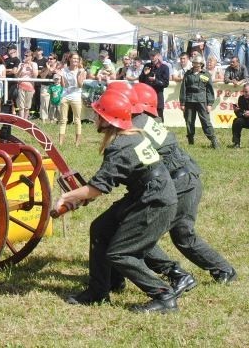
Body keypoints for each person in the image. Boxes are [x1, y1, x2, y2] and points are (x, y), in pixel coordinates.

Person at [55, 89, 179, 313]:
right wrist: (81, 196)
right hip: (145, 193)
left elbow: (96, 189)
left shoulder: (121, 146)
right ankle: (99, 290)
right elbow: (103, 184)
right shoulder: (131, 135)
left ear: (108, 119)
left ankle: (164, 295)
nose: (94, 117)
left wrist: (66, 197)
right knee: (101, 228)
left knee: (121, 253)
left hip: (154, 200)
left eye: (98, 114)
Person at [127, 82, 237, 292]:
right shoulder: (146, 121)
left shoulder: (138, 125)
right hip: (185, 179)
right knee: (181, 234)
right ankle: (222, 270)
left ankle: (186, 273)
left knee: (145, 233)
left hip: (180, 184)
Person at [180, 55, 218, 148]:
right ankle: (190, 141)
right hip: (189, 100)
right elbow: (183, 89)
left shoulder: (205, 74)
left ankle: (213, 140)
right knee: (189, 121)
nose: (195, 65)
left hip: (201, 101)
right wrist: (182, 103)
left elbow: (209, 90)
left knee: (205, 121)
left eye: (197, 63)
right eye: (194, 63)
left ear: (201, 64)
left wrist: (209, 104)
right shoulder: (188, 74)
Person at [57, 52, 86, 147]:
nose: (76, 60)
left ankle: (77, 143)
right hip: (65, 95)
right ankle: (60, 142)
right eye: (74, 58)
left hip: (76, 96)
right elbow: (63, 85)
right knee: (63, 120)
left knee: (77, 120)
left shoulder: (81, 71)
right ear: (69, 59)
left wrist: (77, 76)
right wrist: (61, 76)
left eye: (77, 59)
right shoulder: (64, 70)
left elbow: (80, 85)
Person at [138, 50, 170, 121]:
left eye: (153, 55)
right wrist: (144, 74)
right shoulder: (147, 66)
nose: (151, 57)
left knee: (159, 116)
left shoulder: (164, 67)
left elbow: (165, 84)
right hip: (147, 96)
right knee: (146, 116)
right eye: (150, 55)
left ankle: (161, 131)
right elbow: (141, 81)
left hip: (158, 95)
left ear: (158, 56)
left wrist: (155, 81)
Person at [15, 50, 37, 119]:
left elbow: (35, 75)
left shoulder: (34, 64)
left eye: (27, 55)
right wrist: (21, 68)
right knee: (21, 105)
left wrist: (31, 65)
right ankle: (21, 119)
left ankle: (25, 119)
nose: (25, 57)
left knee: (27, 105)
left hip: (30, 86)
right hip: (21, 85)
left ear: (31, 57)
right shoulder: (21, 64)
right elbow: (17, 75)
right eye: (24, 55)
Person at [230, 83, 249, 148]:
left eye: (246, 91)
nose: (245, 93)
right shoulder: (241, 98)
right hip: (245, 119)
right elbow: (239, 114)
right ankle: (236, 143)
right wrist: (236, 111)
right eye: (244, 91)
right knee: (237, 121)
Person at [3, 44, 21, 112]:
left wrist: (6, 71)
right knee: (6, 97)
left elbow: (14, 71)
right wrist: (9, 70)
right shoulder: (6, 59)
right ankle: (8, 111)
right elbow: (2, 69)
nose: (8, 50)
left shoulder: (17, 60)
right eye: (8, 49)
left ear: (14, 50)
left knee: (13, 97)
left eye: (10, 49)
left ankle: (14, 112)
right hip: (5, 81)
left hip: (13, 82)